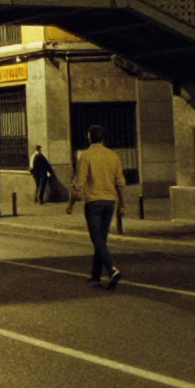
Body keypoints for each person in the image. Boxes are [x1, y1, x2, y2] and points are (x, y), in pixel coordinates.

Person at [67, 124, 126, 289]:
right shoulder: (113, 156)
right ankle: (95, 276)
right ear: (103, 138)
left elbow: (79, 184)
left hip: (93, 202)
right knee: (101, 239)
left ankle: (111, 269)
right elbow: (120, 183)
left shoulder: (86, 156)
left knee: (97, 239)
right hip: (110, 202)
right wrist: (123, 204)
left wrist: (70, 204)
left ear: (89, 137)